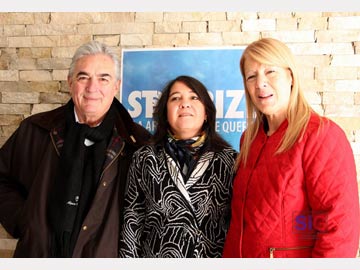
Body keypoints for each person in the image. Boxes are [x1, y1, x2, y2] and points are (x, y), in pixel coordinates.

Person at [0, 40, 151, 257]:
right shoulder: (35, 131)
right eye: (83, 77)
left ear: (116, 86)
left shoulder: (136, 143)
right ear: (70, 82)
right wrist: (25, 220)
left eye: (103, 78)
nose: (92, 88)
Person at [222, 37, 360, 258]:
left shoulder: (321, 135)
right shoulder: (249, 139)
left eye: (270, 72)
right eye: (251, 76)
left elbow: (339, 229)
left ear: (291, 76)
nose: (260, 83)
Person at [118, 75, 237, 257]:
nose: (184, 103)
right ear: (165, 113)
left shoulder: (229, 160)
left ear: (206, 112)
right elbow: (132, 222)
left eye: (193, 97)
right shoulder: (145, 158)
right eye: (175, 98)